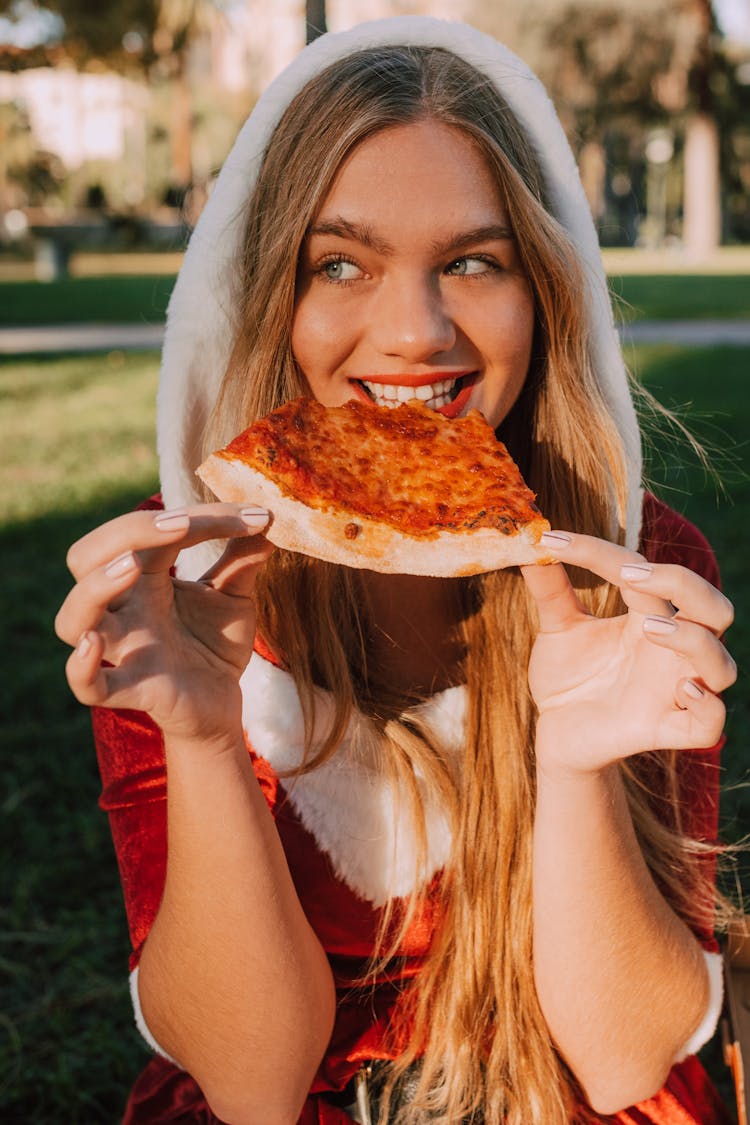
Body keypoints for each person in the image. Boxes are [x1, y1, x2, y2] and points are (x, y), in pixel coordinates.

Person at [54, 17, 737, 1125]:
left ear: (546, 294)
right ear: (268, 297)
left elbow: (622, 1065)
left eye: (474, 261)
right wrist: (205, 736)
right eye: (340, 264)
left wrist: (571, 768)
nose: (414, 331)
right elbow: (251, 1082)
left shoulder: (639, 566)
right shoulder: (174, 583)